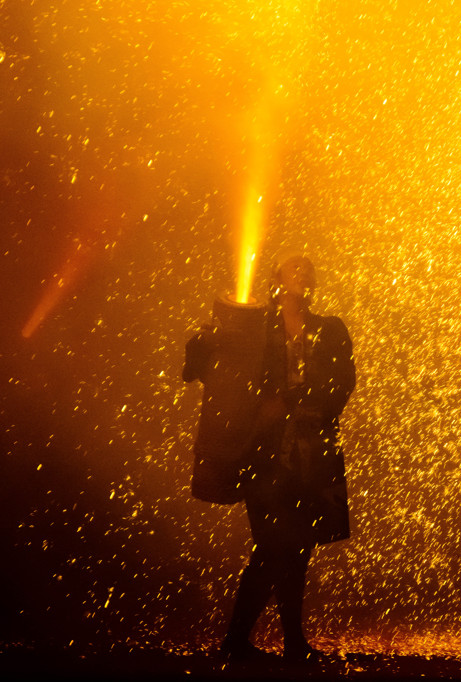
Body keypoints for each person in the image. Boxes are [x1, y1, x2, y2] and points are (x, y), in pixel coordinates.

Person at [190, 253, 356, 662]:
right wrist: (202, 342)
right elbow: (209, 372)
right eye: (290, 268)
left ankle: (273, 643)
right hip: (263, 454)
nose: (298, 273)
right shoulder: (254, 329)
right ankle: (255, 642)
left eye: (305, 269)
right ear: (276, 279)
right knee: (272, 544)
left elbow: (342, 383)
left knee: (298, 548)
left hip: (311, 456)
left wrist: (295, 400)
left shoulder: (329, 329)